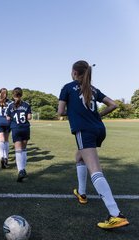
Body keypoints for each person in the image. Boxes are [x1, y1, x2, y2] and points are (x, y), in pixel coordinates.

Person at [58, 60, 129, 229]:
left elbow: (60, 112)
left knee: (95, 169)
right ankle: (82, 193)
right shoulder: (93, 88)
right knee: (79, 156)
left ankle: (115, 214)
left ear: (75, 73)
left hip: (85, 131)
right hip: (99, 129)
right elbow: (113, 104)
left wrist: (73, 112)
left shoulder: (67, 87)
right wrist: (98, 115)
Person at [6, 88, 32, 182]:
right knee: (24, 149)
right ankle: (23, 169)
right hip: (25, 128)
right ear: (21, 95)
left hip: (16, 128)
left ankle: (21, 170)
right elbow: (29, 117)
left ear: (13, 95)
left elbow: (8, 118)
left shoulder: (10, 105)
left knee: (18, 150)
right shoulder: (27, 105)